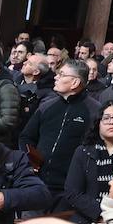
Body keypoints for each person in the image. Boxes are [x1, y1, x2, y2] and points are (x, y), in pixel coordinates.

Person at [19, 58, 99, 209]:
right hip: (37, 183)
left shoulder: (94, 111)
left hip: (69, 190)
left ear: (75, 82)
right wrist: (30, 161)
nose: (55, 77)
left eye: (61, 74)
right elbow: (26, 137)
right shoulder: (47, 106)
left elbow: (94, 150)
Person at [61, 101, 113, 224]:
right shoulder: (83, 152)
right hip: (90, 218)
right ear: (98, 123)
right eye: (106, 118)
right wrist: (101, 215)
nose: (112, 122)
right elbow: (72, 192)